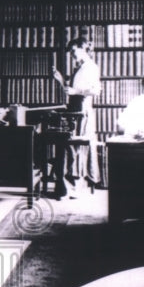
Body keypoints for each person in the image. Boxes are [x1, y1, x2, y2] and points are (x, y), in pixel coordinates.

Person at [51, 37, 101, 195]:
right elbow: (72, 90)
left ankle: (76, 187)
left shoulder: (91, 67)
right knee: (71, 147)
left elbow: (95, 91)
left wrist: (75, 91)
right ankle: (69, 185)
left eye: (73, 51)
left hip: (82, 111)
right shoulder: (79, 68)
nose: (71, 54)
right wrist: (60, 80)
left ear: (83, 48)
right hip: (75, 110)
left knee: (77, 147)